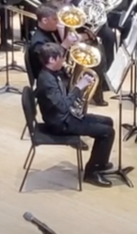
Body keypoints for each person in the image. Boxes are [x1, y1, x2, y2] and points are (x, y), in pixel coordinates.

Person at [33, 42, 116, 187]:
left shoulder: (52, 73)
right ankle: (91, 173)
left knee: (108, 121)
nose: (64, 61)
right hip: (60, 124)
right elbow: (63, 106)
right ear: (52, 60)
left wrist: (68, 75)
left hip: (66, 116)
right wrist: (79, 87)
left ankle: (100, 162)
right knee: (107, 132)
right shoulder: (47, 81)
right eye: (61, 58)